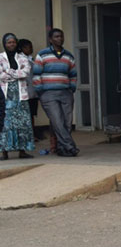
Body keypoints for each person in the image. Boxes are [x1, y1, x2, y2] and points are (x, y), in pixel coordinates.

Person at [32, 28, 78, 157]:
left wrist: (72, 88)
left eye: (61, 36)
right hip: (48, 93)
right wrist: (40, 91)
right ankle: (70, 146)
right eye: (56, 37)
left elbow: (73, 74)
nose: (60, 39)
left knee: (67, 122)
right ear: (50, 39)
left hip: (66, 92)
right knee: (57, 121)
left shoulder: (68, 56)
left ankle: (63, 149)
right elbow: (36, 74)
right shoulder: (43, 54)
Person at [0, 33, 35, 159]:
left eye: (13, 42)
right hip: (5, 96)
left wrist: (8, 72)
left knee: (23, 123)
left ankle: (22, 151)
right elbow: (0, 75)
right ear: (4, 44)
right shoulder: (0, 57)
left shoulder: (22, 57)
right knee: (6, 123)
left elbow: (25, 73)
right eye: (9, 42)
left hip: (21, 96)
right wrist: (15, 74)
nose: (11, 44)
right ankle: (4, 152)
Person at [17, 39, 39, 140]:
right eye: (27, 47)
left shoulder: (31, 59)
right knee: (26, 114)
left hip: (32, 91)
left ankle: (32, 134)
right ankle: (27, 136)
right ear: (21, 48)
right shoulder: (20, 59)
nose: (31, 49)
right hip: (25, 91)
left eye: (31, 46)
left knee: (31, 114)